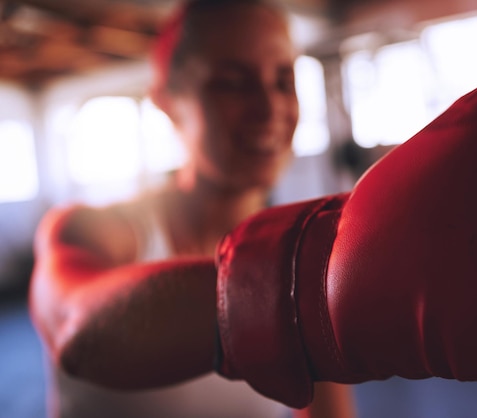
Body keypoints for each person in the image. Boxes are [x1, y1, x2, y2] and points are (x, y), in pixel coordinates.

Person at [29, 0, 355, 417]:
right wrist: (303, 292)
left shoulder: (297, 258)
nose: (268, 107)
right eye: (232, 83)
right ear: (168, 102)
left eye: (282, 79)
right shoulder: (94, 230)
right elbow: (78, 331)